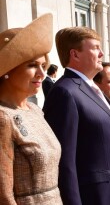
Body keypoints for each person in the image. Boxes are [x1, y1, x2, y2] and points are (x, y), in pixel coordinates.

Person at [43, 27, 110, 205]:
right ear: (75, 54)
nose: (101, 53)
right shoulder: (65, 92)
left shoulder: (90, 88)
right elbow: (64, 162)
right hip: (95, 197)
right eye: (95, 48)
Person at [0, 13, 63, 204]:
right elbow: (3, 194)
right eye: (32, 65)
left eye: (43, 65)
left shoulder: (35, 110)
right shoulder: (3, 117)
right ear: (7, 71)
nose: (42, 74)